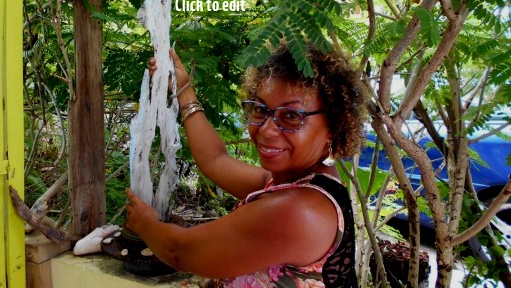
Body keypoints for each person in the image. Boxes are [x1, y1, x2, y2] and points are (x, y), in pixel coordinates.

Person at [125, 42, 365, 287]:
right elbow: (216, 160)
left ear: (333, 127)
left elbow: (179, 252)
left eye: (292, 116)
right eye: (260, 109)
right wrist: (183, 90)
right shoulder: (302, 183)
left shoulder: (298, 211)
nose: (267, 130)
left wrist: (145, 224)